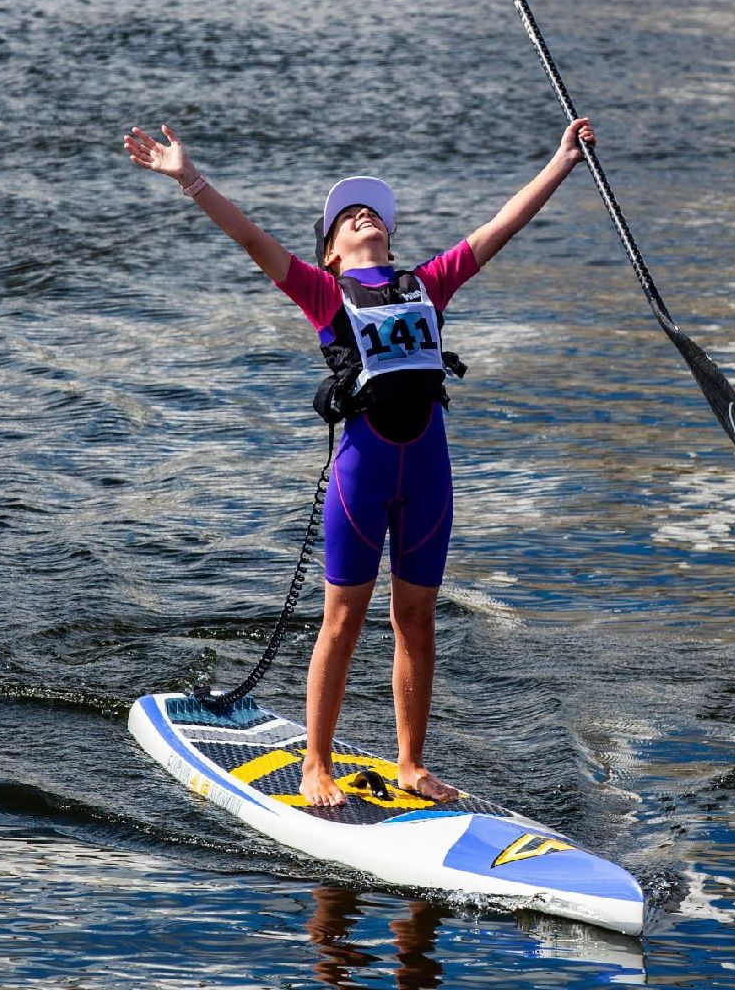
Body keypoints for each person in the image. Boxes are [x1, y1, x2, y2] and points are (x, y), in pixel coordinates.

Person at [123, 116, 596, 807]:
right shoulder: (324, 294)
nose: (362, 214)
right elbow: (253, 239)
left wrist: (562, 162)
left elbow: (500, 227)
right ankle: (316, 764)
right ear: (333, 256)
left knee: (417, 621)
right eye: (347, 217)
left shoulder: (428, 286)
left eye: (370, 210)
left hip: (429, 473)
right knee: (343, 620)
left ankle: (411, 764)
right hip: (363, 474)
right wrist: (190, 180)